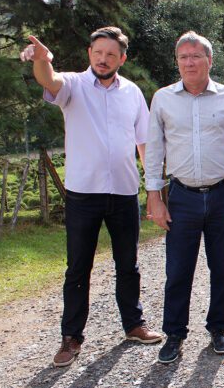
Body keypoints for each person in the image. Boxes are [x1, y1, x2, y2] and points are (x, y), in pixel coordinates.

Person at [20, 27, 163, 368]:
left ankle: (133, 324)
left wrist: (154, 189)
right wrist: (41, 60)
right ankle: (71, 338)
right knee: (78, 268)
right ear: (90, 53)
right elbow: (48, 80)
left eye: (111, 54)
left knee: (128, 264)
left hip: (125, 192)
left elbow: (143, 142)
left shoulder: (132, 93)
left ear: (121, 58)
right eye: (98, 52)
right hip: (84, 193)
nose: (103, 59)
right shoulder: (73, 86)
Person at [145, 31, 224, 364]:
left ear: (210, 60)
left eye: (196, 56)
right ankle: (174, 335)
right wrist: (155, 198)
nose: (190, 62)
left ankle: (219, 329)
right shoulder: (163, 99)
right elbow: (154, 151)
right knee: (178, 270)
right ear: (177, 62)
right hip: (181, 197)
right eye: (183, 57)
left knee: (221, 267)